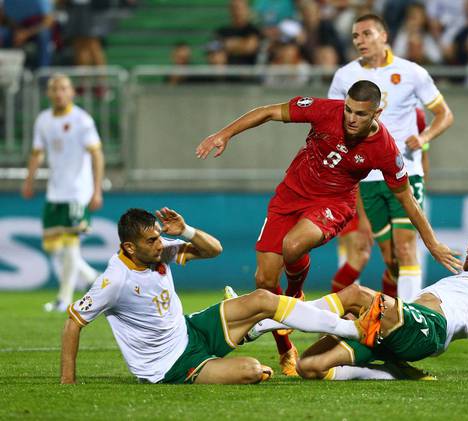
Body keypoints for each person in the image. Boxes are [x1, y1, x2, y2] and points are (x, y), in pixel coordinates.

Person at [195, 80, 462, 376]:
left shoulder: (385, 149)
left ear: (377, 113)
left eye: (360, 114)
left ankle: (295, 294)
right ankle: (286, 349)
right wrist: (224, 134)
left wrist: (432, 243)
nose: (350, 118)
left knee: (293, 246)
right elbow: (269, 111)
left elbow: (408, 201)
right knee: (264, 278)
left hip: (333, 203)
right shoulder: (326, 111)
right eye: (348, 109)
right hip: (289, 195)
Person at [60, 207, 385, 384]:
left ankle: (352, 330)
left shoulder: (158, 253)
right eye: (151, 241)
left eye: (159, 238)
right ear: (130, 247)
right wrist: (67, 382)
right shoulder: (113, 280)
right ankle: (258, 328)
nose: (159, 245)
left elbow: (214, 249)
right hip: (170, 365)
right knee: (253, 371)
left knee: (262, 298)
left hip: (191, 330)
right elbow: (74, 322)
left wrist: (186, 231)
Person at [268, 228, 468, 383]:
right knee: (310, 367)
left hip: (430, 329)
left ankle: (269, 321)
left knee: (357, 295)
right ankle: (396, 372)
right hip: (398, 328)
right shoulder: (457, 278)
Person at [327, 14, 454, 303]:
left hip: (405, 171)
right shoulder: (344, 76)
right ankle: (385, 312)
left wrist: (423, 139)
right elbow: (335, 125)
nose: (360, 40)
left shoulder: (412, 72)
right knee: (391, 258)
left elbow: (445, 114)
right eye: (356, 36)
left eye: (366, 34)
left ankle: (410, 321)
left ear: (384, 36)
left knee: (406, 245)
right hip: (367, 177)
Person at [22, 74, 104, 312]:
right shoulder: (43, 120)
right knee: (52, 246)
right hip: (55, 191)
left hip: (78, 191)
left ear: (72, 93)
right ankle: (91, 276)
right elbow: (37, 153)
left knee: (70, 244)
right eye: (54, 89)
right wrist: (29, 180)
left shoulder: (82, 120)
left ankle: (64, 298)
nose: (59, 93)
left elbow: (97, 154)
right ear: (49, 93)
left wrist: (97, 190)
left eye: (63, 88)